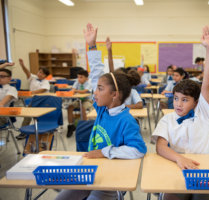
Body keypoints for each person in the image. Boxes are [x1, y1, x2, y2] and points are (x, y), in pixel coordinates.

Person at [55, 23, 147, 200]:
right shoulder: (104, 109)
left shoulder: (126, 120)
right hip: (91, 172)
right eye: (95, 88)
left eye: (99, 89)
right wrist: (91, 45)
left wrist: (105, 152)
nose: (94, 92)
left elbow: (139, 150)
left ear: (114, 95)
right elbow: (97, 74)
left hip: (111, 179)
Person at [152, 26, 209, 200]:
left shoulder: (202, 113)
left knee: (204, 197)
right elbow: (160, 147)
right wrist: (179, 159)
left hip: (206, 170)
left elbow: (207, 84)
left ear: (196, 102)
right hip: (179, 168)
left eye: (185, 100)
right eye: (176, 98)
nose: (178, 104)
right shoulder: (167, 120)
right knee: (171, 196)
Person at [16, 59, 51, 139]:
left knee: (41, 116)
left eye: (42, 73)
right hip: (34, 101)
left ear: (45, 76)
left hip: (44, 102)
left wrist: (31, 93)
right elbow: (27, 72)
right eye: (39, 72)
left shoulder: (46, 82)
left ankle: (42, 130)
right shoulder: (33, 78)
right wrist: (22, 65)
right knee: (27, 115)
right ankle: (23, 131)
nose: (40, 74)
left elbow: (43, 90)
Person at [66, 69, 93, 138]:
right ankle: (71, 125)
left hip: (87, 100)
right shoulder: (77, 82)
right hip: (79, 100)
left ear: (86, 78)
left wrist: (75, 90)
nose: (79, 79)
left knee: (82, 108)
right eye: (78, 77)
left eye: (81, 77)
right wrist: (73, 90)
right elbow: (72, 90)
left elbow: (84, 91)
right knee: (70, 107)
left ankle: (84, 126)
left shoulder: (89, 83)